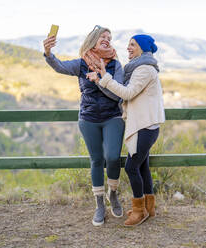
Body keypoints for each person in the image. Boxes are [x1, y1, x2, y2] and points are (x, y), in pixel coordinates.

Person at [43, 25, 125, 226]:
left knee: (113, 157)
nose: (107, 39)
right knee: (97, 160)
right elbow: (60, 66)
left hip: (112, 117)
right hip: (88, 119)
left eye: (110, 36)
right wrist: (47, 52)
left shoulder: (116, 66)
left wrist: (99, 80)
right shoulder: (81, 64)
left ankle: (112, 194)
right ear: (94, 40)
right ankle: (99, 204)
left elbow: (117, 95)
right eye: (103, 36)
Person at [87, 34, 165, 227]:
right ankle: (149, 207)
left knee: (131, 167)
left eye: (133, 45)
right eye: (128, 45)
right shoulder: (142, 68)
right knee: (142, 166)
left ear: (143, 48)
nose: (128, 48)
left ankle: (139, 211)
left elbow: (128, 93)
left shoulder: (144, 69)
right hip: (146, 125)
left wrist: (105, 77)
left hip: (144, 127)